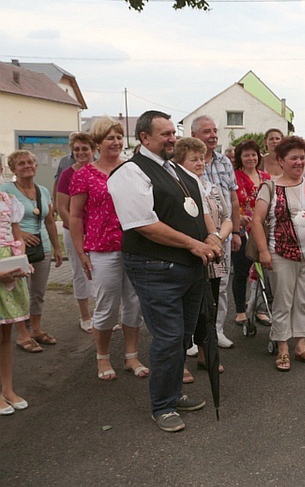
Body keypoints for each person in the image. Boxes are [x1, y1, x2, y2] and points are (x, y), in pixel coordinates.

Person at [108, 110, 223, 433]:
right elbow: (143, 225)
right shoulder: (130, 173)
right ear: (144, 138)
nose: (173, 138)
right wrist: (194, 244)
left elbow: (201, 210)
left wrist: (212, 236)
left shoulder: (178, 171)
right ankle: (162, 405)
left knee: (183, 335)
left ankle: (173, 394)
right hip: (154, 268)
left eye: (174, 133)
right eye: (165, 134)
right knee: (169, 337)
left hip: (189, 269)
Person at [69, 117, 148, 381]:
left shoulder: (132, 169)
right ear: (97, 143)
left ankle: (131, 355)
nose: (115, 142)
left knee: (134, 304)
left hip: (134, 246)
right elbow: (76, 216)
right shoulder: (84, 174)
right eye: (109, 138)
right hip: (102, 250)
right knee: (106, 306)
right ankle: (102, 358)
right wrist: (81, 253)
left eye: (118, 137)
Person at [252, 136, 305, 372]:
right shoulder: (270, 186)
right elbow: (257, 221)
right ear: (280, 160)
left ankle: (299, 346)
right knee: (283, 301)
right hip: (281, 253)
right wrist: (264, 251)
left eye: (303, 157)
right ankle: (282, 348)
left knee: (302, 300)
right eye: (293, 158)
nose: (299, 162)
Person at [173, 138, 233, 381]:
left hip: (214, 254)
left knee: (208, 307)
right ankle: (179, 363)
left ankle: (204, 353)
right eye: (193, 159)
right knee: (185, 310)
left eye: (202, 158)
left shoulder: (212, 188)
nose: (200, 163)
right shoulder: (175, 187)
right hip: (188, 255)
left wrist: (217, 237)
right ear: (179, 162)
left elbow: (227, 217)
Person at [1, 150, 63, 353]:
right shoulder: (6, 190)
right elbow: (4, 221)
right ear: (13, 169)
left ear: (36, 166)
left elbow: (50, 221)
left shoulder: (43, 191)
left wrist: (56, 248)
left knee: (38, 292)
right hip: (17, 251)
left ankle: (36, 328)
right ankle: (22, 334)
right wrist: (23, 234)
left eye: (30, 162)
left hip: (42, 248)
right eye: (21, 164)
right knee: (19, 291)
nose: (27, 166)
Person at [190, 115, 241, 349]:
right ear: (194, 136)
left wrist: (235, 232)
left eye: (214, 131)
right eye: (206, 131)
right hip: (192, 239)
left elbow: (233, 198)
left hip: (223, 237)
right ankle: (191, 336)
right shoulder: (183, 163)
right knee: (193, 287)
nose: (213, 135)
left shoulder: (224, 162)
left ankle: (216, 330)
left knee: (219, 285)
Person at [0, 158, 32, 414]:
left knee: (5, 335)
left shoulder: (9, 202)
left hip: (9, 268)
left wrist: (21, 258)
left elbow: (17, 236)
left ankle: (7, 389)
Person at [55, 132, 94, 333]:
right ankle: (85, 316)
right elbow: (62, 206)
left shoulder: (99, 171)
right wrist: (78, 229)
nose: (80, 153)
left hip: (97, 231)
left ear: (93, 149)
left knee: (101, 273)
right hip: (74, 231)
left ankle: (102, 314)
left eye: (84, 149)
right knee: (80, 273)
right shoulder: (67, 174)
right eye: (76, 149)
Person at [230, 139, 270, 326]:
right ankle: (240, 310)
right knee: (242, 271)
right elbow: (232, 202)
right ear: (240, 157)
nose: (251, 158)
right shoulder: (234, 177)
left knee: (264, 272)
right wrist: (239, 218)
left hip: (264, 228)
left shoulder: (266, 177)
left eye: (253, 154)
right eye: (246, 155)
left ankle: (259, 307)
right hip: (243, 229)